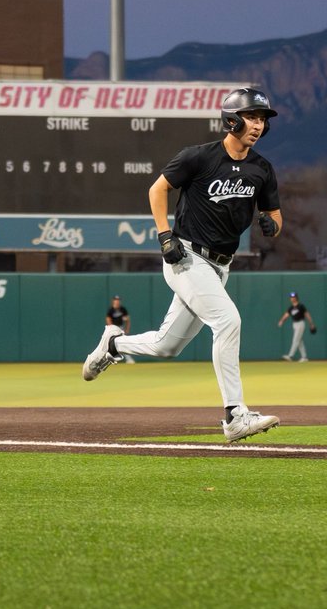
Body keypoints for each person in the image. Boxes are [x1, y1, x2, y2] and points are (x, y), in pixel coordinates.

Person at [82, 87, 284, 442]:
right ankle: (235, 415)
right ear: (232, 119)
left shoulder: (262, 170)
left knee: (166, 346)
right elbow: (157, 190)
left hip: (221, 267)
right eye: (252, 116)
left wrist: (272, 224)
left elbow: (275, 216)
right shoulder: (199, 157)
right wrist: (164, 235)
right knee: (227, 320)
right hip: (187, 256)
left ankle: (113, 345)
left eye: (262, 119)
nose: (257, 125)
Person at [277, 291, 317, 362]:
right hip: (294, 324)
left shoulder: (301, 306)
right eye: (291, 297)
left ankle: (290, 356)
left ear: (297, 298)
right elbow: (286, 315)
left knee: (295, 340)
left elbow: (307, 315)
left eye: (294, 297)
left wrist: (311, 324)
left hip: (300, 323)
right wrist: (281, 321)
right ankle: (304, 357)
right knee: (299, 341)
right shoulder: (291, 308)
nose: (292, 298)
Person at [105, 294, 135, 362]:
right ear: (113, 301)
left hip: (121, 328)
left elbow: (128, 319)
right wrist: (111, 329)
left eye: (118, 300)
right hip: (113, 328)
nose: (117, 301)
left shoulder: (123, 309)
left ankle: (128, 359)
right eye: (116, 300)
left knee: (124, 343)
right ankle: (108, 359)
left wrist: (127, 329)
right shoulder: (111, 310)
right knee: (110, 344)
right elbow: (108, 319)